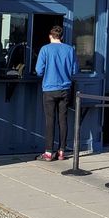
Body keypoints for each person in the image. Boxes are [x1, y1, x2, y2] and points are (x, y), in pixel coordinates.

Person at [35, 25, 77, 161]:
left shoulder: (45, 49)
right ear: (62, 37)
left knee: (50, 120)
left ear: (50, 36)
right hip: (65, 89)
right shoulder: (70, 50)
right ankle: (62, 151)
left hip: (49, 89)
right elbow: (74, 71)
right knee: (63, 120)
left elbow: (39, 70)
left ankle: (48, 152)